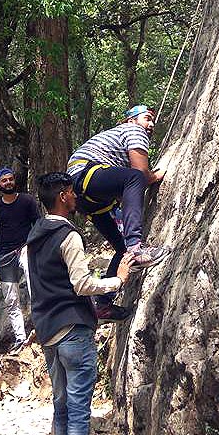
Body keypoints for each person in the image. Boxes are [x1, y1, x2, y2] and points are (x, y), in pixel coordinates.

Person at [21, 173, 137, 435]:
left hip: (47, 329)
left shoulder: (33, 238)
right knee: (78, 408)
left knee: (61, 403)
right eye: (72, 192)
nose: (76, 197)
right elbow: (82, 284)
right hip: (73, 326)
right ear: (63, 196)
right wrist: (118, 280)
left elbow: (36, 286)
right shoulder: (68, 235)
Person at [66, 105, 170, 322]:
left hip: (85, 195)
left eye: (152, 120)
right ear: (131, 120)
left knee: (122, 249)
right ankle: (137, 248)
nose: (151, 124)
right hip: (86, 174)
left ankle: (102, 305)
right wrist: (154, 176)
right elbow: (141, 173)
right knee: (134, 177)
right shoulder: (133, 130)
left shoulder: (118, 137)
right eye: (147, 118)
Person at [0, 167, 40, 352]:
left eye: (10, 179)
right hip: (4, 254)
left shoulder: (27, 200)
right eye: (4, 180)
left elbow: (38, 223)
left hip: (26, 248)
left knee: (34, 288)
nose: (8, 182)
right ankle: (20, 337)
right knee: (11, 297)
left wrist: (35, 245)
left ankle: (41, 327)